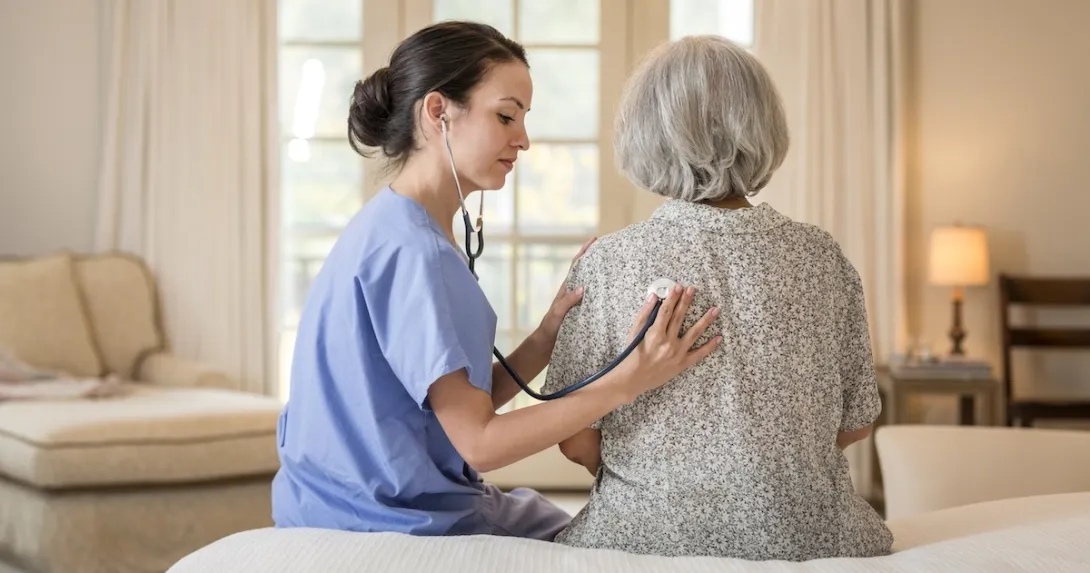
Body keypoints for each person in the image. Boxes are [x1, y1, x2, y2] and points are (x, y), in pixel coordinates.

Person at [270, 21, 722, 541]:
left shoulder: (392, 223)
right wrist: (627, 383)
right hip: (397, 514)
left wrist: (547, 334)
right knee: (606, 541)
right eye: (506, 115)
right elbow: (480, 442)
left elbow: (452, 404)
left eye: (524, 119)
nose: (523, 139)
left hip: (329, 498)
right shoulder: (416, 253)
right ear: (438, 112)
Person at [540, 35, 894, 560]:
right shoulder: (824, 257)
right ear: (765, 127)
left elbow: (574, 440)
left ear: (644, 134)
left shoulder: (609, 263)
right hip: (817, 542)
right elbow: (857, 422)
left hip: (643, 539)